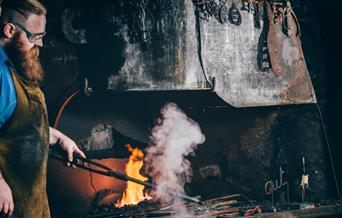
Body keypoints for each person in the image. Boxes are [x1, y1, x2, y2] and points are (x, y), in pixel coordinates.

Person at [0, 0, 86, 217]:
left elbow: (21, 127)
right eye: (34, 36)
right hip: (8, 206)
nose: (40, 44)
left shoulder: (17, 64)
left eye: (42, 36)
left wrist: (59, 138)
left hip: (32, 203)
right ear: (10, 30)